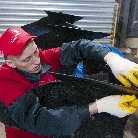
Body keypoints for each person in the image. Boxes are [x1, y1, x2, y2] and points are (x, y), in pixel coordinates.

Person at [0, 27, 138, 138]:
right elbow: (40, 120)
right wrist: (99, 106)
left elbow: (79, 47)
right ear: (10, 63)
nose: (36, 61)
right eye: (26, 59)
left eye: (35, 51)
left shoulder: (42, 57)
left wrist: (113, 60)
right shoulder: (5, 83)